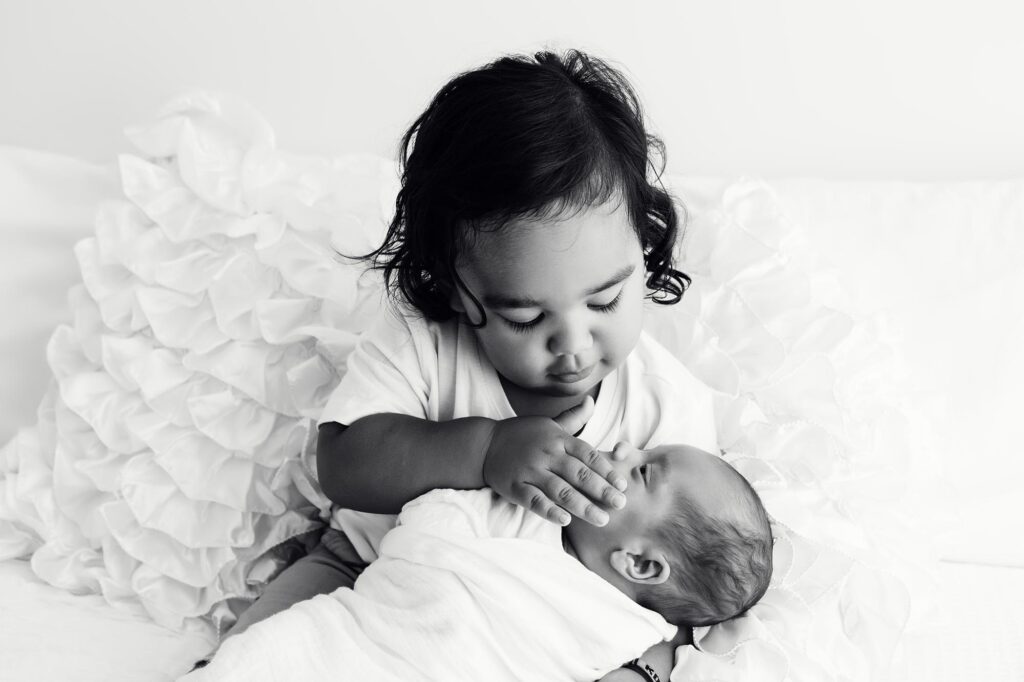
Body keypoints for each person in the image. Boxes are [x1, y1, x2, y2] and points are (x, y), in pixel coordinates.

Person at [209, 49, 722, 680]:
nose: (575, 345)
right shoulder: (425, 342)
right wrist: (484, 451)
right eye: (526, 319)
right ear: (455, 288)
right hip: (367, 569)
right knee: (259, 656)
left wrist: (644, 666)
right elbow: (344, 464)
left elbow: (680, 585)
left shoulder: (666, 405)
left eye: (605, 300)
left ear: (643, 247)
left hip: (522, 617)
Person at [185, 445, 773, 682]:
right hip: (365, 647)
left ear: (640, 565)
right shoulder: (531, 514)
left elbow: (431, 525)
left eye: (644, 469)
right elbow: (420, 549)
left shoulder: (626, 631)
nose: (622, 448)